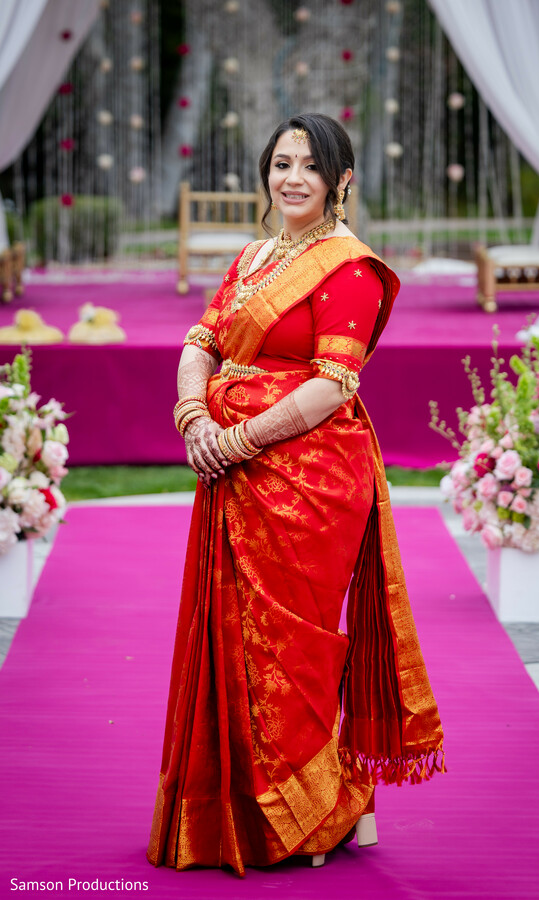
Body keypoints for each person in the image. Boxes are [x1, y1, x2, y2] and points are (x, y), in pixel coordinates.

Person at [147, 113, 444, 878]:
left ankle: (317, 813)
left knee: (293, 653)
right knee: (228, 644)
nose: (293, 178)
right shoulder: (251, 257)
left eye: (311, 166)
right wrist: (191, 418)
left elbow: (329, 386)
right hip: (228, 473)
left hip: (306, 482)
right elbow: (200, 343)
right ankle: (230, 815)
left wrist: (236, 440)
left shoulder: (349, 268)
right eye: (281, 163)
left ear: (342, 181)